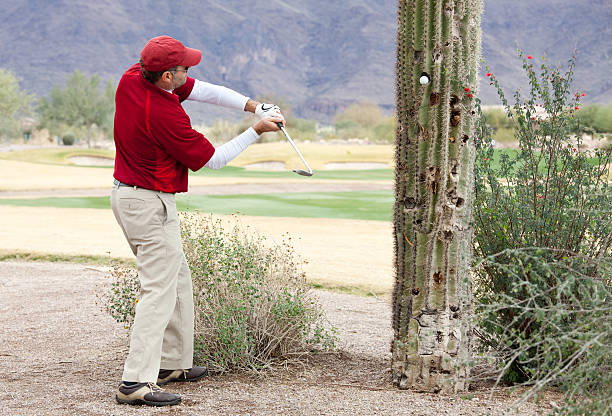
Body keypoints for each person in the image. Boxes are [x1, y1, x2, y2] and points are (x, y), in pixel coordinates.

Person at [111, 35, 285, 407]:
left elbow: (206, 90)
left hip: (138, 197)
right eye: (184, 68)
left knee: (177, 277)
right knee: (158, 289)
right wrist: (257, 130)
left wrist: (254, 106)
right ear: (167, 77)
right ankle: (135, 382)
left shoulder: (133, 77)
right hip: (146, 203)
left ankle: (171, 363)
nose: (189, 73)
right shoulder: (164, 113)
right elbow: (213, 160)